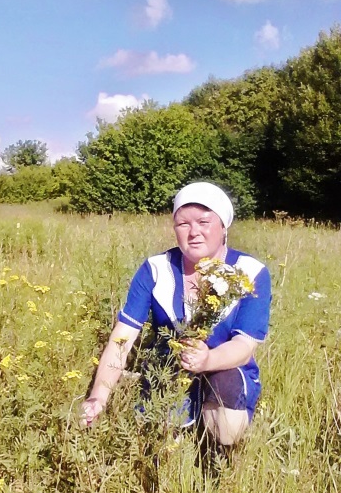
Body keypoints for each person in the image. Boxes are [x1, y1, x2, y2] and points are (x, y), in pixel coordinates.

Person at [81, 182, 271, 445]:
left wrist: (207, 361)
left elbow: (244, 345)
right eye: (183, 224)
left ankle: (217, 451)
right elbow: (121, 338)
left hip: (224, 369)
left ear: (223, 226)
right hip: (168, 370)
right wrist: (98, 397)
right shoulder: (155, 269)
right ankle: (138, 388)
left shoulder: (250, 271)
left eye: (204, 222)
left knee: (227, 430)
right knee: (156, 439)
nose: (194, 232)